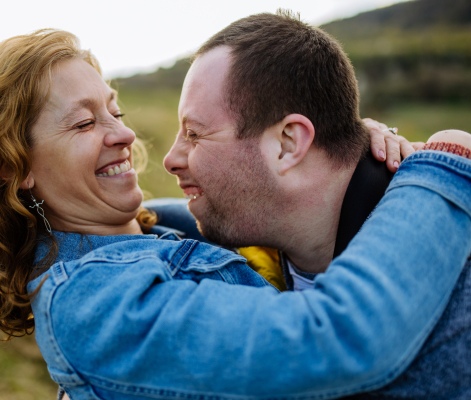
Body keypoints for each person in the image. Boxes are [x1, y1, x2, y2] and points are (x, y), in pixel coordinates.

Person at [0, 29, 471, 400]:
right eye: (85, 123)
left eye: (113, 110)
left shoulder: (152, 232)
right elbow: (331, 341)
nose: (125, 134)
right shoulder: (92, 298)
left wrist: (344, 149)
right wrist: (441, 164)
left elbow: (288, 190)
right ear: (17, 167)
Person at [157, 11, 471, 399]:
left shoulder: (455, 309)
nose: (171, 158)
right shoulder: (239, 240)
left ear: (289, 143)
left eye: (193, 133)